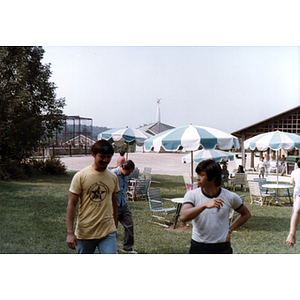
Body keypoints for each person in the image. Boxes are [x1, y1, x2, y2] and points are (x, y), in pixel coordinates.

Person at [180, 159, 251, 254]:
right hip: (199, 246)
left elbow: (246, 214)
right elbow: (183, 217)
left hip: (222, 247)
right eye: (198, 174)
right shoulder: (192, 195)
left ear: (213, 178)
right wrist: (204, 205)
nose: (197, 178)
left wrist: (229, 230)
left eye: (201, 175)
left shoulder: (230, 196)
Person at [66, 140, 119, 254]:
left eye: (109, 157)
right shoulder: (81, 176)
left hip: (107, 231)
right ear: (93, 154)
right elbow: (72, 204)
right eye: (102, 156)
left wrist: (115, 227)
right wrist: (70, 232)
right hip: (86, 231)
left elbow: (114, 202)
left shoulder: (113, 177)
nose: (105, 160)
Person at [112, 160, 137, 254]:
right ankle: (112, 250)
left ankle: (127, 248)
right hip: (114, 205)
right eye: (128, 172)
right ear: (122, 168)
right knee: (112, 228)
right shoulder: (112, 174)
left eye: (130, 172)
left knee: (129, 224)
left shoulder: (126, 175)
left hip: (123, 204)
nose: (129, 174)